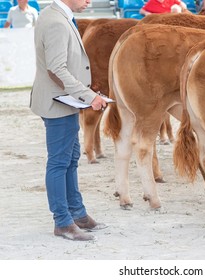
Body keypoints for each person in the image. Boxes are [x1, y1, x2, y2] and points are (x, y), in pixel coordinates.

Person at [30, 0, 108, 241]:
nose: (89, 1)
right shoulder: (56, 21)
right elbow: (56, 69)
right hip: (58, 102)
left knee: (70, 158)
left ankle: (77, 213)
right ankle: (63, 221)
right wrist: (88, 96)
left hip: (64, 100)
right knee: (60, 162)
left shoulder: (56, 15)